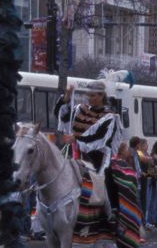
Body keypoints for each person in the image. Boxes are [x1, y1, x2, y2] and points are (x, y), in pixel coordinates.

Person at [54, 71, 127, 221]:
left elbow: (100, 137)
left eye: (93, 95)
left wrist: (75, 138)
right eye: (89, 95)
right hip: (75, 150)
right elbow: (62, 116)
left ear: (101, 96)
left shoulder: (110, 117)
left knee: (107, 175)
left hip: (98, 154)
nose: (90, 98)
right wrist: (66, 98)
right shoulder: (79, 109)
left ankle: (113, 210)